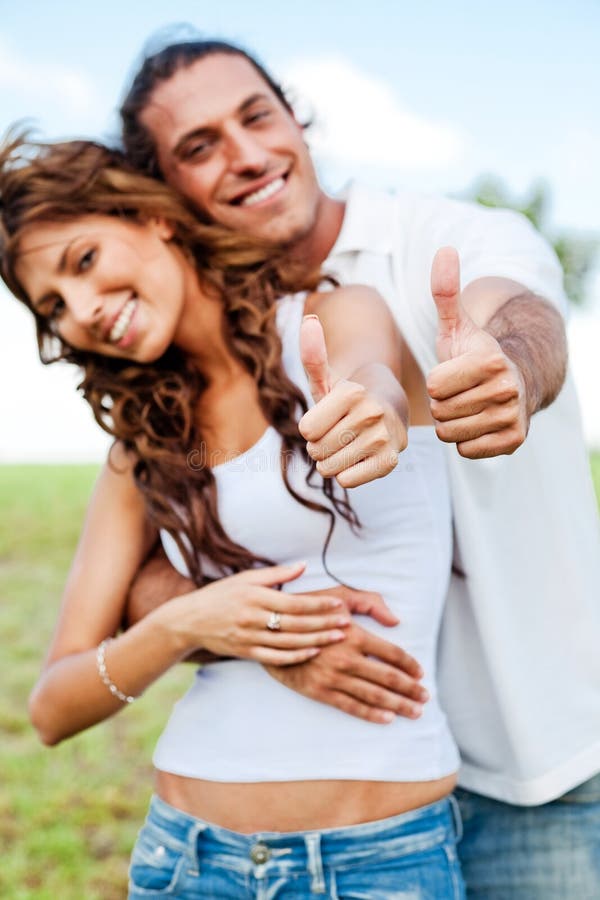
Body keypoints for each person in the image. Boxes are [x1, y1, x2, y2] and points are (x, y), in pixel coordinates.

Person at [118, 36, 600, 898]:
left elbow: (518, 308)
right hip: (371, 803)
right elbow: (151, 576)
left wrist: (511, 373)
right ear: (166, 196)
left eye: (255, 115)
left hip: (541, 774)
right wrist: (278, 638)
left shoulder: (444, 239)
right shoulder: (200, 346)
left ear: (295, 116)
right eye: (200, 147)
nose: (247, 155)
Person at [0, 133, 468, 898]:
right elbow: (52, 707)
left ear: (152, 218)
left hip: (383, 860)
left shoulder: (331, 318)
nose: (82, 310)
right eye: (55, 305)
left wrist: (371, 408)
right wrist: (193, 623)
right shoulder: (141, 446)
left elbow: (370, 376)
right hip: (188, 857)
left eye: (83, 262)